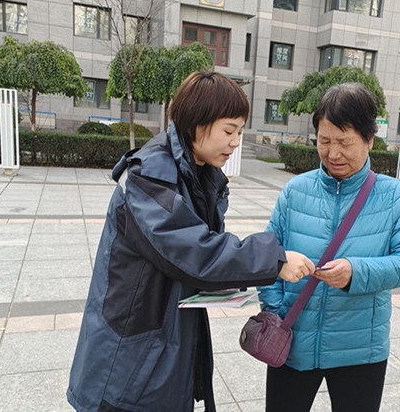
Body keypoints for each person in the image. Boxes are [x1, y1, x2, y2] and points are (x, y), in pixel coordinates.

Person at [67, 71, 315, 412]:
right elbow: (194, 252)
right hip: (130, 359)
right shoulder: (149, 175)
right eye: (229, 131)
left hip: (162, 344)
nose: (235, 142)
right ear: (197, 123)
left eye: (240, 132)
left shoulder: (198, 173)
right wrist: (275, 260)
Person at [258, 83, 400, 412]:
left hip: (360, 350)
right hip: (294, 344)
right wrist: (276, 310)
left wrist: (356, 272)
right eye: (324, 141)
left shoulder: (391, 196)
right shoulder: (295, 191)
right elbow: (268, 254)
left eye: (344, 142)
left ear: (369, 139)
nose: (333, 153)